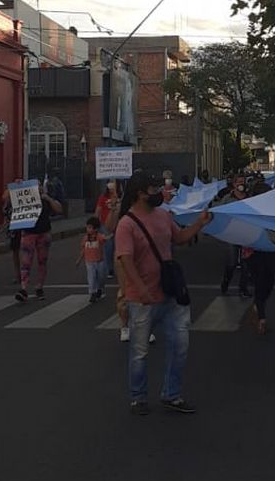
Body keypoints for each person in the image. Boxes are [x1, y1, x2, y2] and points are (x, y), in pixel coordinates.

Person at [114, 169, 210, 415]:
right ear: (140, 193)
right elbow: (125, 259)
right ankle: (138, 397)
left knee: (180, 345)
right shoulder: (127, 223)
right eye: (154, 189)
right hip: (143, 299)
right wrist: (138, 290)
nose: (160, 192)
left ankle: (172, 394)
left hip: (171, 293)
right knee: (140, 352)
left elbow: (178, 238)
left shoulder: (163, 215)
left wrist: (199, 223)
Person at [14, 182, 63, 301]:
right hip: (29, 232)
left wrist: (48, 198)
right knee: (26, 262)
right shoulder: (26, 198)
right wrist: (17, 187)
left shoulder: (45, 198)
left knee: (42, 261)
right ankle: (24, 288)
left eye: (39, 185)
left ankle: (39, 286)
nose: (38, 188)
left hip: (43, 232)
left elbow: (59, 209)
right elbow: (7, 198)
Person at [245, 179, 275, 335]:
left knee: (269, 281)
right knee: (260, 281)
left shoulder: (274, 211)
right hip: (254, 252)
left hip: (271, 250)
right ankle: (261, 318)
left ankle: (257, 306)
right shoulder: (248, 210)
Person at [220, 172, 251, 297]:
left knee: (246, 264)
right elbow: (220, 213)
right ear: (234, 185)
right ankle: (225, 283)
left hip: (246, 235)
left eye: (243, 183)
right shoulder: (227, 199)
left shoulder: (250, 198)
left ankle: (243, 289)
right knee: (232, 263)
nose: (241, 185)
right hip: (232, 235)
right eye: (239, 183)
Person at [77, 216, 107, 303]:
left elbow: (105, 238)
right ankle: (92, 292)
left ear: (96, 229)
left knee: (101, 277)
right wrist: (79, 259)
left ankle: (100, 288)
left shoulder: (99, 237)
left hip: (99, 261)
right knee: (91, 277)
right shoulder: (86, 238)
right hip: (89, 261)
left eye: (90, 227)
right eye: (87, 227)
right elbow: (83, 249)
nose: (88, 229)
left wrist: (108, 237)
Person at [96, 179, 122, 276]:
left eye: (113, 182)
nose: (111, 184)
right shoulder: (103, 198)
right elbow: (97, 211)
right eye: (110, 182)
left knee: (118, 247)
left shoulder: (121, 198)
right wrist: (95, 225)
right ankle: (109, 269)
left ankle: (119, 268)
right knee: (108, 247)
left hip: (118, 225)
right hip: (105, 225)